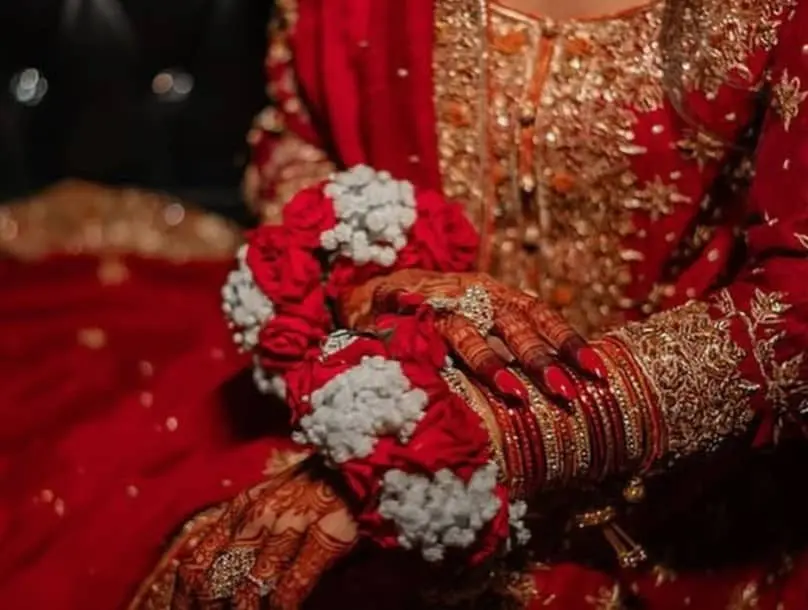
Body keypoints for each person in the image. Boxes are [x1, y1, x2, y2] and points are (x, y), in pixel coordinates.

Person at [4, 1, 808, 609]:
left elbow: (793, 315)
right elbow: (296, 139)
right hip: (366, 372)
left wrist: (459, 442)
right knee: (212, 572)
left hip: (689, 458)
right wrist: (368, 279)